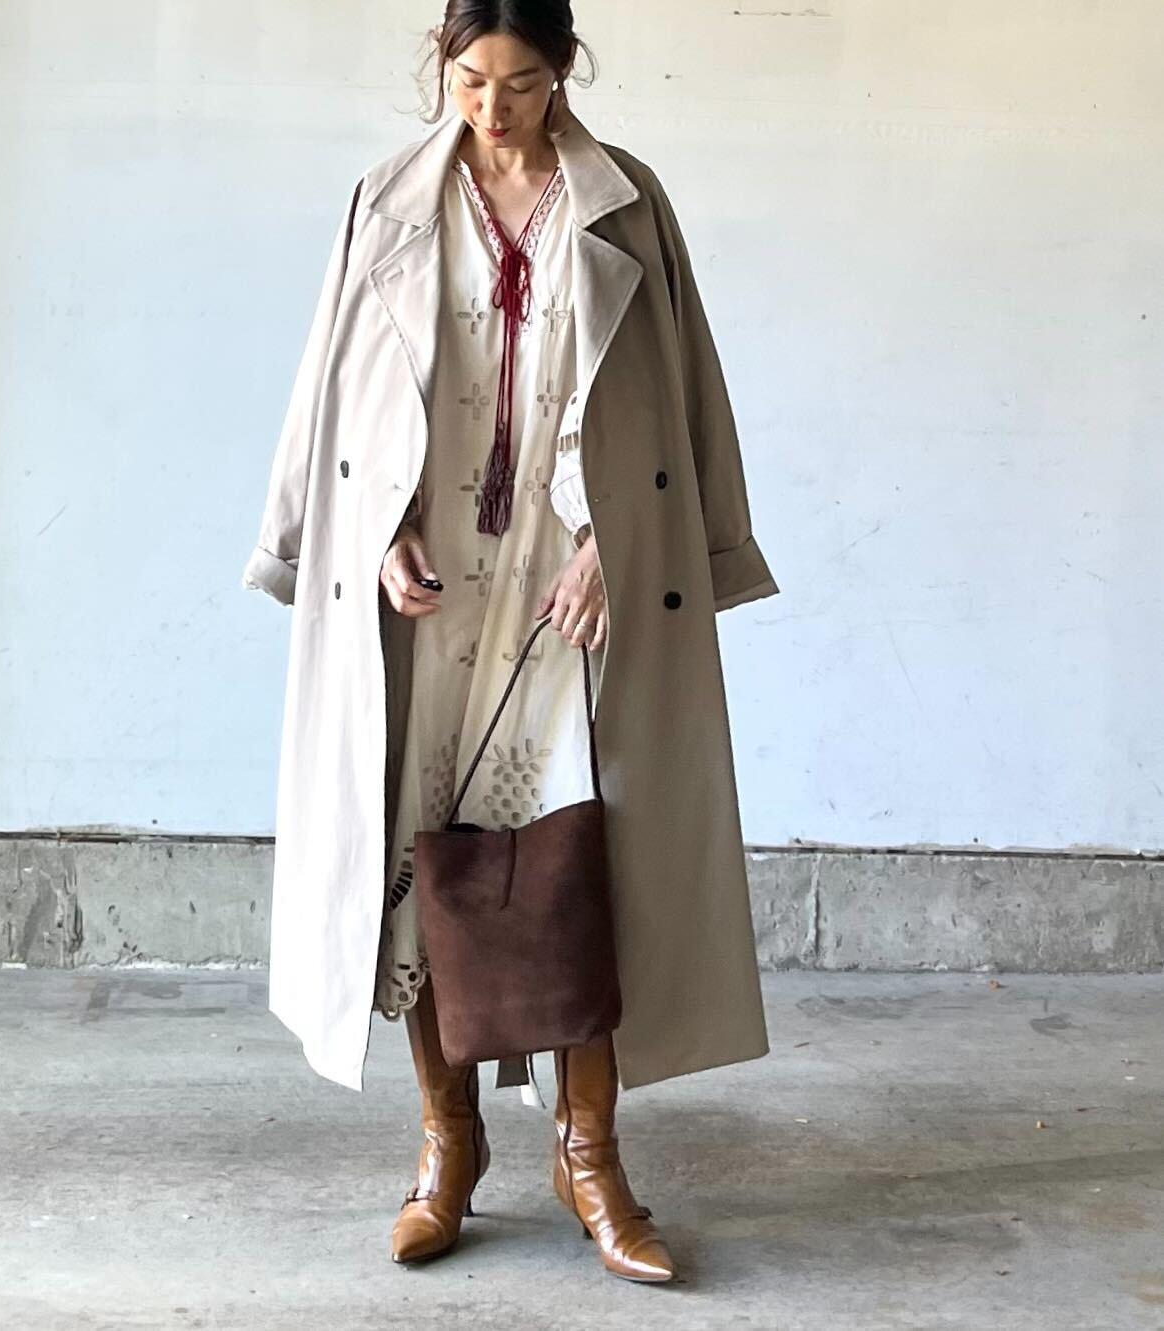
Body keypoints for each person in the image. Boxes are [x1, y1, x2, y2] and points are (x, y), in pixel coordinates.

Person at [242, 0, 779, 1285]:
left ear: (565, 69)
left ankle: (589, 1156)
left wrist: (625, 546)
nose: (493, 108)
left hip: (569, 580)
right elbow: (335, 395)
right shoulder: (387, 201)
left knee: (579, 855)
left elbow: (681, 396)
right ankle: (449, 1144)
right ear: (444, 67)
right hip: (433, 586)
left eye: (522, 81)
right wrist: (367, 535)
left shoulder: (621, 202)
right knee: (428, 853)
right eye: (470, 79)